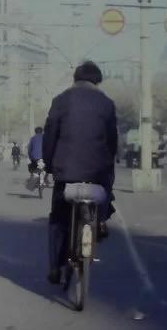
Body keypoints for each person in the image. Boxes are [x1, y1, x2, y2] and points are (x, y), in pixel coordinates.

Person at [42, 61, 118, 285]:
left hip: (65, 171)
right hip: (97, 172)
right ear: (98, 81)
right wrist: (107, 162)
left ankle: (55, 267)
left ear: (75, 78)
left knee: (58, 218)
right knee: (106, 186)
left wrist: (50, 165)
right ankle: (100, 220)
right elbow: (112, 141)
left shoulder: (61, 100)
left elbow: (50, 136)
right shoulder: (107, 103)